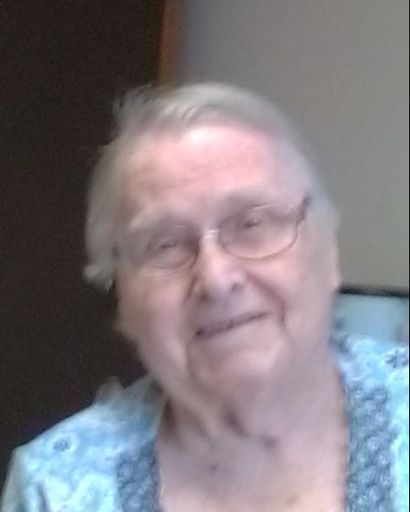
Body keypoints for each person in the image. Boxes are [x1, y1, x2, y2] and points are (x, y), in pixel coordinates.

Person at [1, 83, 408, 512]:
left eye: (251, 223)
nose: (215, 278)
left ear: (328, 252)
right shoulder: (53, 490)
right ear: (122, 299)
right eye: (165, 245)